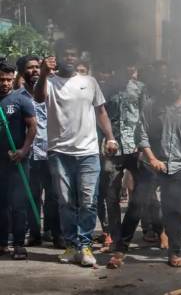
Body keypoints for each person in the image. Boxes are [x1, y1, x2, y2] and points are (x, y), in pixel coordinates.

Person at [109, 68, 181, 268]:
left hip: (179, 167)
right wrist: (152, 158)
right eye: (169, 81)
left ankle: (174, 252)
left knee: (176, 211)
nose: (172, 84)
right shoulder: (152, 106)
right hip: (151, 165)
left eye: (177, 80)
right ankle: (120, 250)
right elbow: (141, 134)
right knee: (136, 207)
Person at [34, 42, 118, 266]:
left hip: (88, 152)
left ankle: (85, 246)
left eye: (73, 54)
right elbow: (39, 98)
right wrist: (43, 73)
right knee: (65, 201)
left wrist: (110, 136)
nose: (70, 58)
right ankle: (71, 245)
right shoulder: (50, 83)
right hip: (59, 152)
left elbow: (101, 111)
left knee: (89, 201)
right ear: (57, 57)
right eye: (66, 54)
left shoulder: (89, 82)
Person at [16, 56, 64, 249]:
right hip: (29, 154)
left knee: (54, 196)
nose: (36, 70)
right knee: (32, 196)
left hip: (51, 151)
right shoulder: (17, 97)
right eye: (31, 68)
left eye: (38, 67)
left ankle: (56, 234)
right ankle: (34, 234)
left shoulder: (52, 91)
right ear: (22, 72)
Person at [98, 63, 145, 252]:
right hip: (113, 149)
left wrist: (144, 146)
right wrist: (105, 140)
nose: (128, 68)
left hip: (136, 148)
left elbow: (144, 117)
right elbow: (100, 115)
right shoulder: (105, 88)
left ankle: (129, 234)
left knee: (142, 193)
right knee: (111, 195)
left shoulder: (141, 89)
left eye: (132, 65)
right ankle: (116, 239)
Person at [0, 62, 37, 260]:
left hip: (17, 162)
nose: (4, 83)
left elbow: (32, 126)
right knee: (1, 204)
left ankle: (19, 245)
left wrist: (23, 150)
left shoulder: (20, 100)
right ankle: (2, 243)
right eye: (1, 79)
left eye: (7, 79)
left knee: (18, 204)